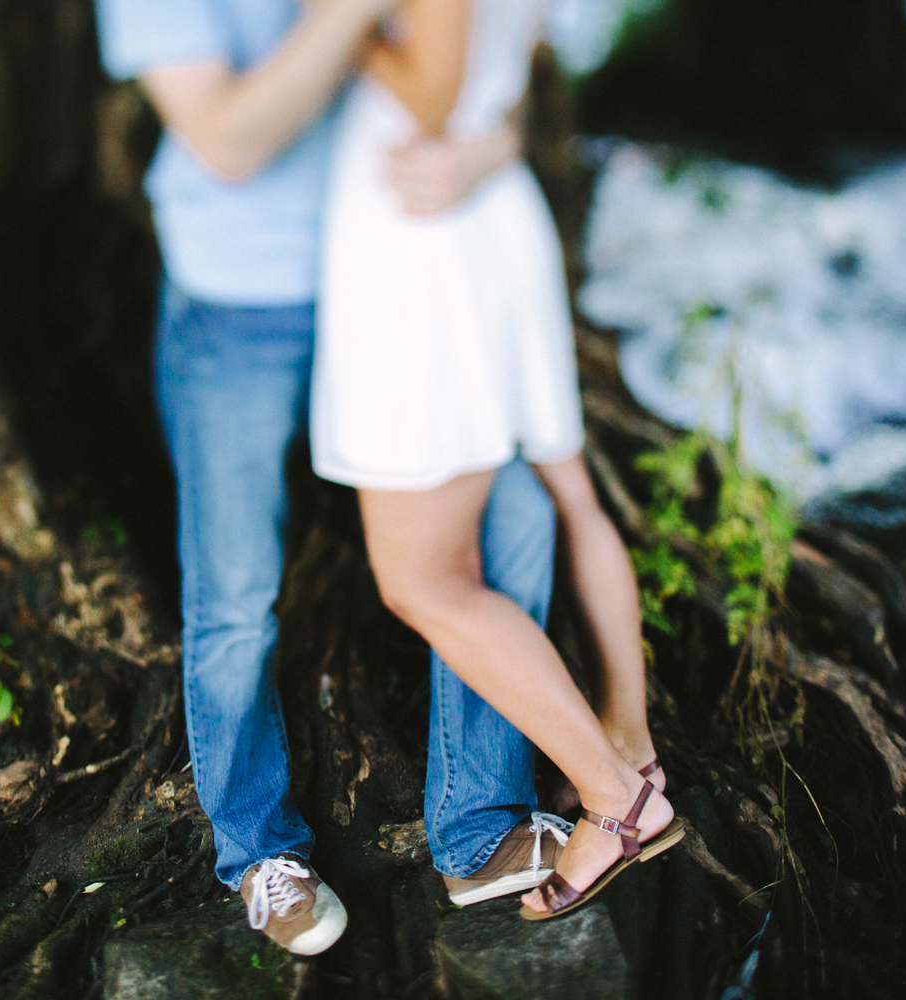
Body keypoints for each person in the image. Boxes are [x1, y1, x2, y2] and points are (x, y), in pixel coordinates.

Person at [93, 0, 574, 954]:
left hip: (404, 279)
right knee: (235, 591)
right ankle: (258, 852)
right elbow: (227, 142)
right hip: (244, 305)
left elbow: (492, 84)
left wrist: (479, 154)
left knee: (517, 517)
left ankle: (480, 823)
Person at [309, 0, 683, 920]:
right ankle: (632, 745)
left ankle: (617, 797)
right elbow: (510, 64)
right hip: (477, 218)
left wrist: (336, 23)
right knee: (571, 492)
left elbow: (431, 96)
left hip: (430, 256)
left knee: (423, 578)